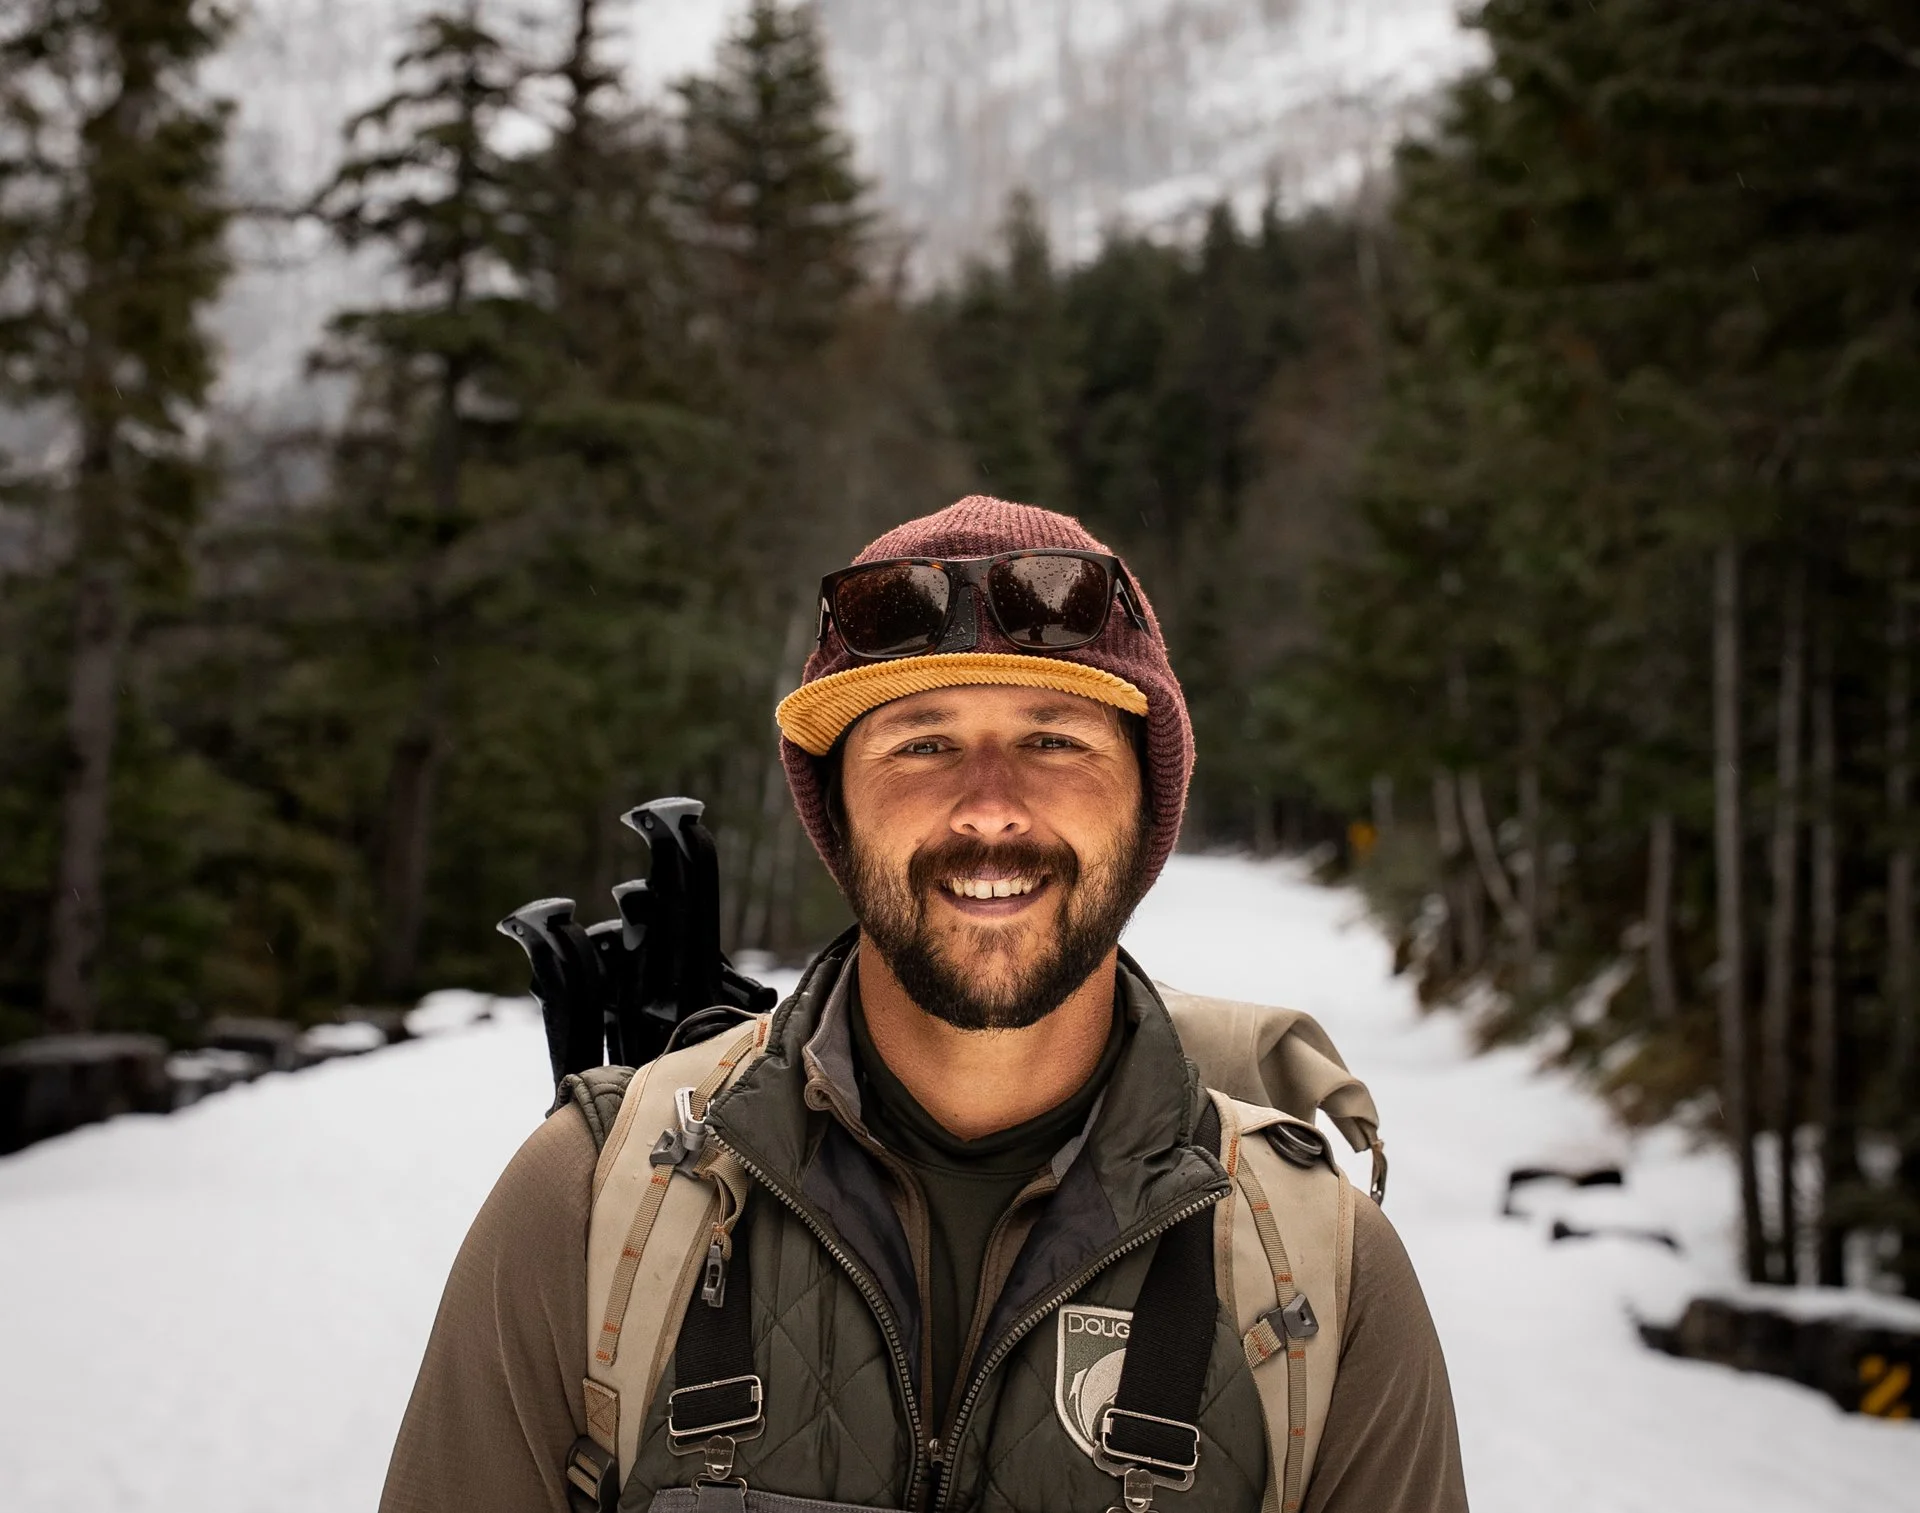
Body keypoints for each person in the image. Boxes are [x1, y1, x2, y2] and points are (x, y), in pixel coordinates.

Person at [381, 497, 1467, 1513]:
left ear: (1148, 805)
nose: (989, 808)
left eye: (1055, 738)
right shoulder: (588, 1208)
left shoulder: (1325, 1277)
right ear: (837, 812)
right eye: (922, 743)